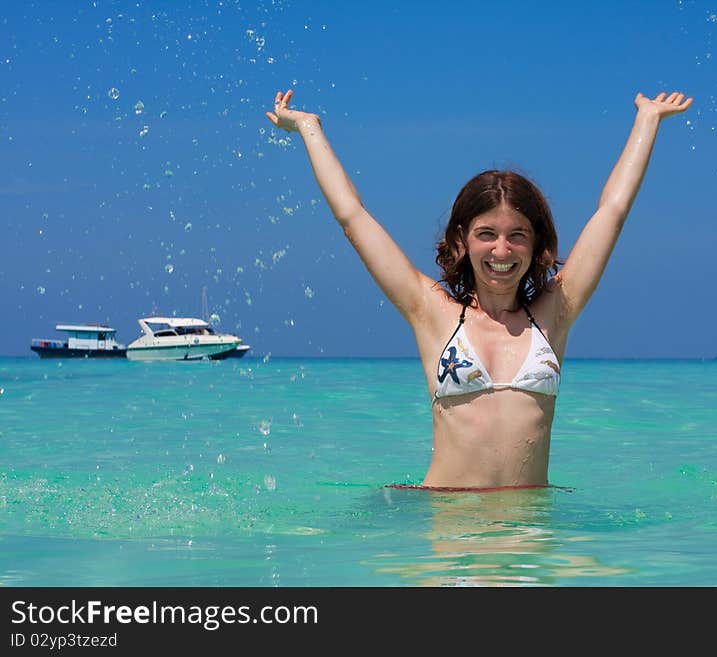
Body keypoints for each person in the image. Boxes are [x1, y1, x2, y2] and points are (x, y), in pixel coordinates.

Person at [266, 87, 693, 489]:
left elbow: (612, 213)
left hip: (530, 534)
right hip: (451, 529)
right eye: (486, 233)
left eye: (518, 235)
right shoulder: (431, 312)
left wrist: (647, 121)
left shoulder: (553, 314)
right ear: (461, 240)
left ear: (536, 243)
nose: (501, 250)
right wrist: (309, 128)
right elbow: (353, 217)